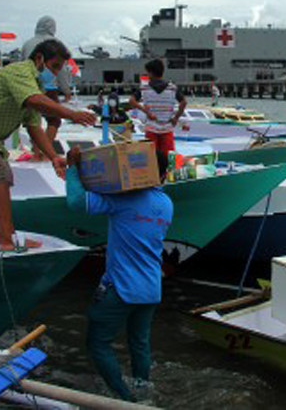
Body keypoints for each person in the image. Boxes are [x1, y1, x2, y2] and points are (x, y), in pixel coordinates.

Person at [0, 39, 96, 250]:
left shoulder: (33, 85)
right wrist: (72, 114)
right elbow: (34, 100)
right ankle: (7, 239)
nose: (56, 73)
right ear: (39, 58)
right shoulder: (20, 72)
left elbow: (34, 127)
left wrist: (53, 157)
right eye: (55, 66)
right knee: (0, 176)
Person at [65, 146, 172, 402]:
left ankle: (124, 399)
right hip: (151, 289)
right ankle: (143, 389)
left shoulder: (124, 200)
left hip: (120, 289)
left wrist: (72, 168)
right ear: (164, 174)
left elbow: (77, 202)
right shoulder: (166, 204)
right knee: (139, 344)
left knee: (98, 344)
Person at [22, 16, 74, 160]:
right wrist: (66, 90)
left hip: (28, 86)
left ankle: (36, 151)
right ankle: (45, 151)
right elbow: (62, 71)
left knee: (33, 121)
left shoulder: (27, 43)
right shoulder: (56, 44)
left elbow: (21, 64)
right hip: (49, 88)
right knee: (54, 120)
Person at [129, 59, 187, 170]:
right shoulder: (172, 88)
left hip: (151, 128)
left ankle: (154, 179)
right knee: (168, 158)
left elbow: (131, 101)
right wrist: (176, 117)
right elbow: (184, 102)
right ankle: (167, 179)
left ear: (150, 73)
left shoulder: (144, 88)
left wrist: (147, 112)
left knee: (151, 157)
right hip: (167, 128)